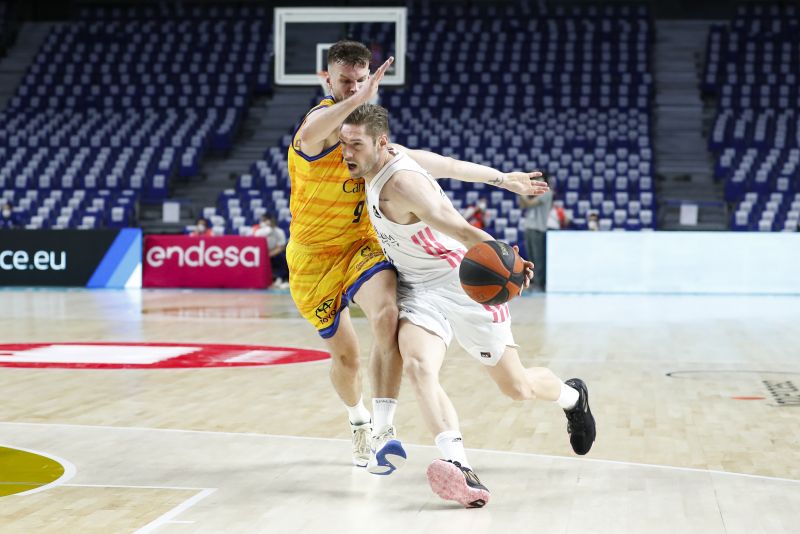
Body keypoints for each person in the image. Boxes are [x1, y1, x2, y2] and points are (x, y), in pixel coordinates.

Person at [287, 39, 548, 473]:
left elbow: (438, 163)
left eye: (359, 80)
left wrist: (504, 179)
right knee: (347, 358)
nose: (351, 89)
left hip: (361, 245)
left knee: (388, 313)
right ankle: (358, 419)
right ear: (326, 80)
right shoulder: (317, 126)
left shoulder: (370, 143)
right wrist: (359, 97)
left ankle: (385, 429)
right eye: (344, 82)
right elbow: (315, 129)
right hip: (312, 256)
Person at [340, 103, 595, 508]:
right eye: (344, 143)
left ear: (380, 143)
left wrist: (504, 259)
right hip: (420, 288)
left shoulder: (402, 183)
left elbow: (457, 226)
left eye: (355, 144)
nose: (346, 153)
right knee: (420, 365)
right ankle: (458, 465)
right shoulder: (386, 158)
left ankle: (571, 397)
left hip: (464, 283)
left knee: (517, 387)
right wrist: (502, 179)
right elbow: (450, 165)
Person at [519, 177, 554, 291]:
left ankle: (540, 284)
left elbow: (529, 204)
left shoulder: (547, 192)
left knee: (538, 259)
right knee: (532, 258)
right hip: (529, 227)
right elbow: (523, 205)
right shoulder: (534, 193)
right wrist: (521, 193)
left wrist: (520, 191)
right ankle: (534, 283)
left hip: (538, 228)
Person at [253, 214, 288, 286]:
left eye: (266, 220)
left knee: (281, 257)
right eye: (263, 221)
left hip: (274, 253)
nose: (264, 222)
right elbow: (256, 244)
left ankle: (280, 278)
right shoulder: (259, 232)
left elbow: (281, 247)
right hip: (261, 254)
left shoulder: (279, 232)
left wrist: (269, 255)